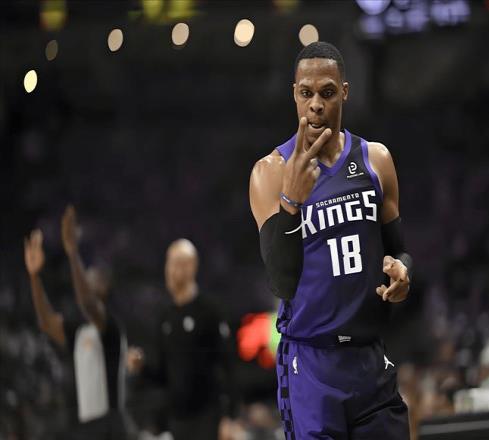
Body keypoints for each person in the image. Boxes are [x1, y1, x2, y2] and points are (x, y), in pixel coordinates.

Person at [249, 41, 413, 439]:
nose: (316, 105)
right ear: (294, 94)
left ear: (344, 92)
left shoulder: (376, 160)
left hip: (369, 356)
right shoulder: (270, 172)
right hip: (311, 364)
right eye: (306, 93)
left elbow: (399, 250)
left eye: (327, 92)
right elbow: (281, 281)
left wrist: (402, 271)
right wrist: (291, 202)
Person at [24, 206, 135, 440]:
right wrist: (34, 277)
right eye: (88, 275)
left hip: (111, 424)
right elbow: (46, 322)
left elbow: (86, 302)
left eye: (96, 277)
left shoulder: (110, 328)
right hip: (85, 425)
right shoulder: (79, 331)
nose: (89, 277)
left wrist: (73, 253)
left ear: (106, 288)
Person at [128, 239, 239, 440]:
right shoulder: (165, 317)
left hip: (208, 417)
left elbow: (228, 366)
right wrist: (141, 367)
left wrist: (229, 417)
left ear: (192, 266)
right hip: (178, 420)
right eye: (169, 263)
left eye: (178, 263)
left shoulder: (209, 311)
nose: (171, 270)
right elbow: (163, 373)